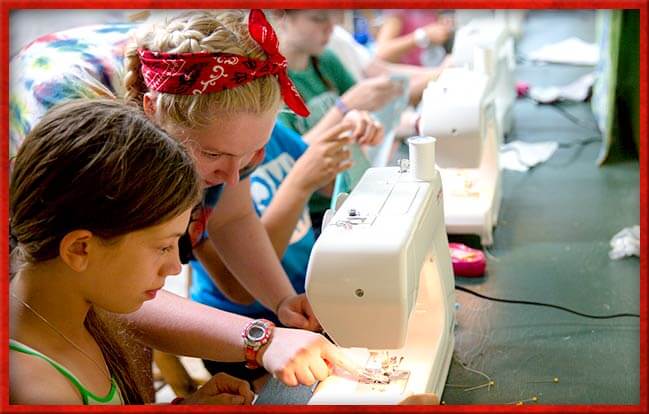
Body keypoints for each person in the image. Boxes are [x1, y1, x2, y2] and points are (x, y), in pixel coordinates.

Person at [9, 9, 363, 391]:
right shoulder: (76, 121)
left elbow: (231, 218)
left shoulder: (222, 100)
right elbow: (104, 285)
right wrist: (262, 339)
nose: (232, 175)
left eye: (251, 154)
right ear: (152, 111)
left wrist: (282, 303)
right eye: (213, 156)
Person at [9, 98, 254, 405]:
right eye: (163, 247)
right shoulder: (37, 389)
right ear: (80, 249)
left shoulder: (79, 314)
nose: (175, 267)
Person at [272, 9, 404, 232]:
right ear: (281, 18)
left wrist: (366, 126)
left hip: (349, 196)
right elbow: (289, 158)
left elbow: (364, 119)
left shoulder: (326, 61)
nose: (330, 28)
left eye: (332, 19)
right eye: (318, 18)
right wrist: (343, 108)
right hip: (308, 217)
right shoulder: (270, 81)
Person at [374, 10, 454, 67]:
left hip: (428, 69)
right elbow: (382, 51)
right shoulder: (398, 12)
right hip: (406, 77)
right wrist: (423, 35)